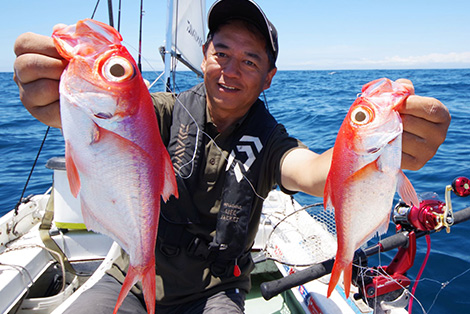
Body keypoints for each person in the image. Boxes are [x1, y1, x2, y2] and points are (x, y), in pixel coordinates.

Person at [13, 0, 450, 313]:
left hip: (216, 291)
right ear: (204, 54)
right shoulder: (157, 111)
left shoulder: (270, 137)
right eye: (221, 52)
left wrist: (365, 154)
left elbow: (311, 171)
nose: (230, 69)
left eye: (250, 60)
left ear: (269, 78)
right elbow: (110, 122)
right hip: (127, 276)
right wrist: (60, 99)